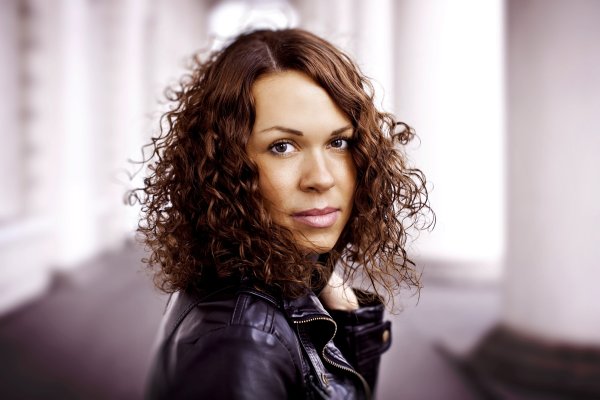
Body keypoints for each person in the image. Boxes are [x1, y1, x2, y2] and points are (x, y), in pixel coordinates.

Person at [133, 28, 431, 399]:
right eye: (282, 146)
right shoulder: (245, 341)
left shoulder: (262, 284)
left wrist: (335, 305)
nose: (321, 178)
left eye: (338, 142)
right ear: (225, 165)